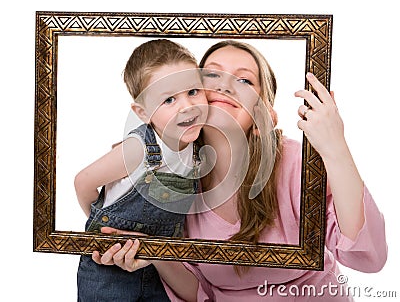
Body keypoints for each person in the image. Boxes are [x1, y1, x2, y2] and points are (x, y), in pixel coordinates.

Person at [92, 40, 387, 301]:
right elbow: (198, 293)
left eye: (244, 80)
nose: (224, 85)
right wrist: (153, 253)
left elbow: (366, 257)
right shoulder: (170, 176)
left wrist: (334, 145)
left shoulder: (295, 162)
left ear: (266, 117)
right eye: (211, 75)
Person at [74, 39, 208, 301]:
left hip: (158, 267)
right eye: (169, 99)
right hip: (109, 269)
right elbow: (83, 182)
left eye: (193, 91)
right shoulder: (139, 149)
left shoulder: (196, 146)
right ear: (143, 112)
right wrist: (99, 225)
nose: (187, 106)